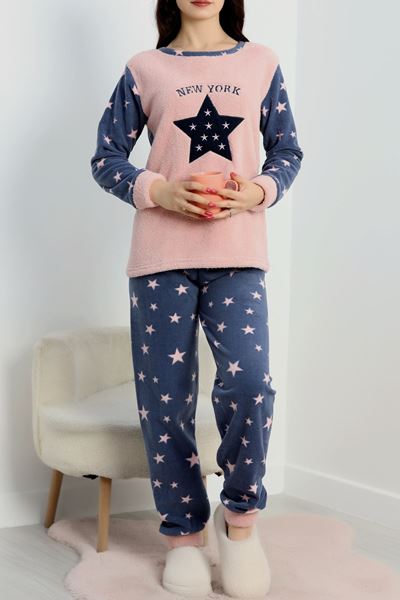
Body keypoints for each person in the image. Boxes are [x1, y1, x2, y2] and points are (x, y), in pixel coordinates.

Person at [90, 0, 304, 597]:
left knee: (250, 384)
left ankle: (239, 524)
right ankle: (183, 536)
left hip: (238, 253)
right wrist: (158, 190)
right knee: (165, 402)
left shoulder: (261, 63)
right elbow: (106, 158)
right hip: (160, 258)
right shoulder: (144, 68)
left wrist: (257, 192)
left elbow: (287, 152)